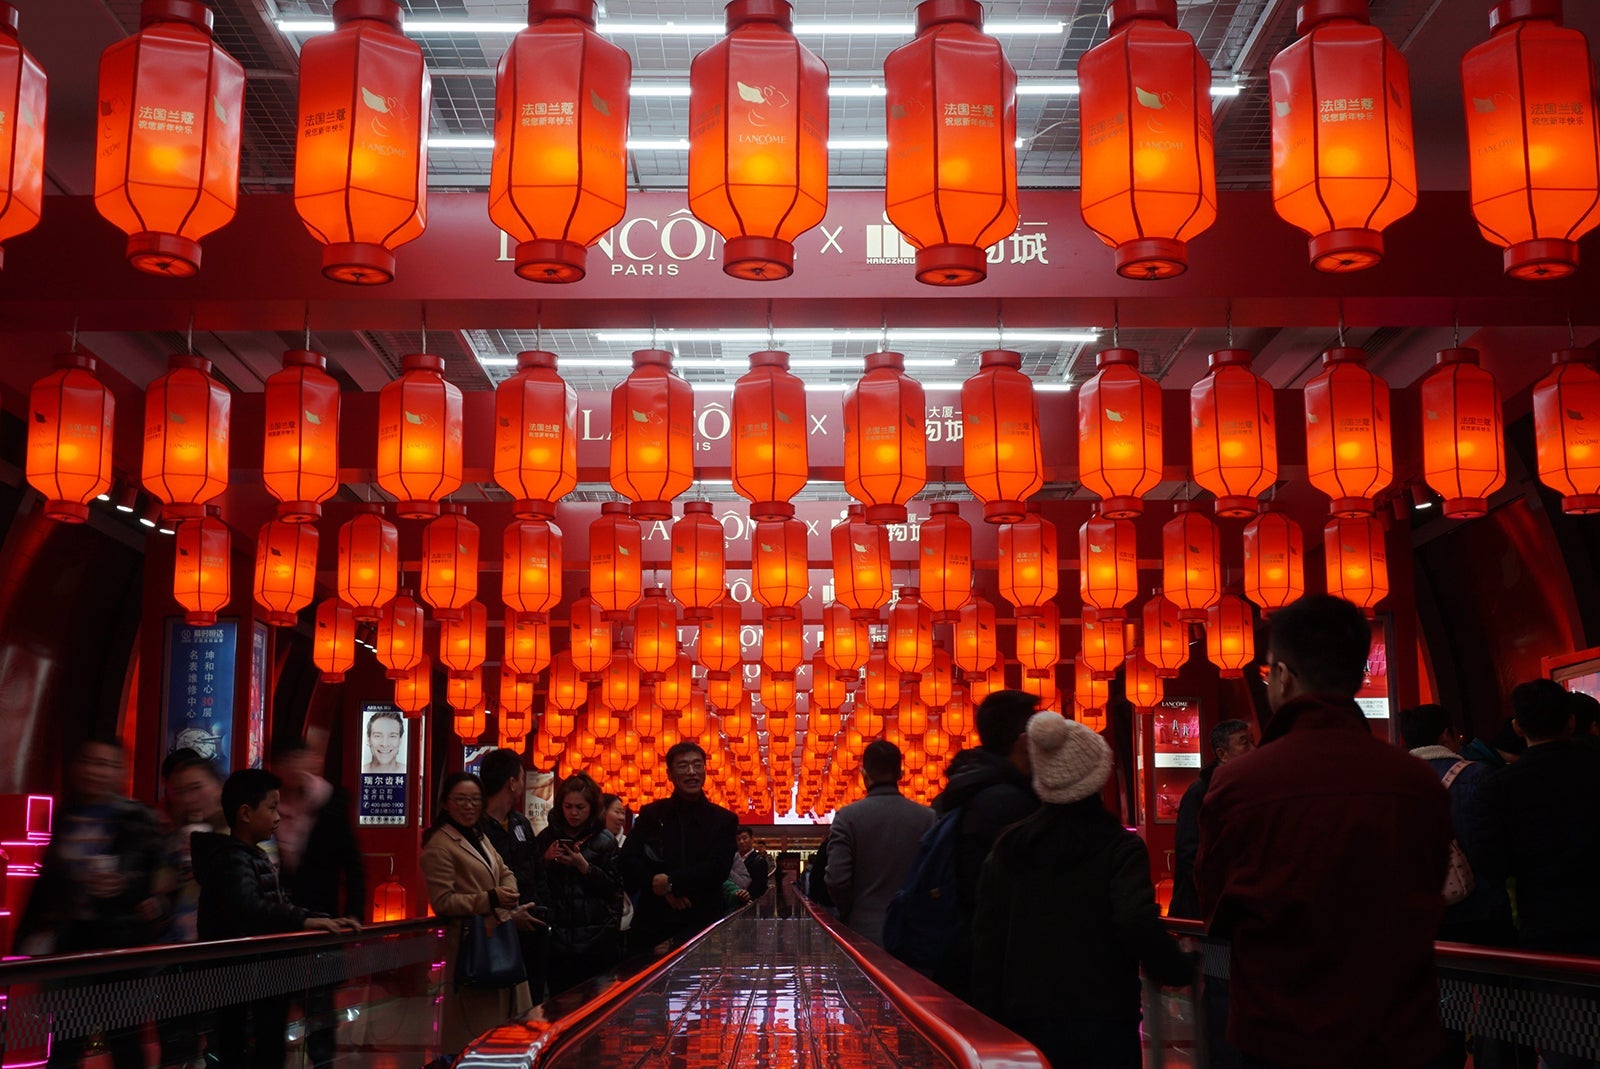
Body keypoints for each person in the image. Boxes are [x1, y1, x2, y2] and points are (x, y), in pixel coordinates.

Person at [1196, 594, 1452, 1069]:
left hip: (1278, 1031)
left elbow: (1216, 905)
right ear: (1356, 677)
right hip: (1396, 1032)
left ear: (1285, 678)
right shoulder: (1418, 783)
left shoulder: (1238, 784)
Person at [974, 712, 1196, 1069]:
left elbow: (987, 936)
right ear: (1098, 775)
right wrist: (1176, 967)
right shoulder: (1118, 848)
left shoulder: (1011, 846)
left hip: (1025, 1017)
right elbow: (1135, 919)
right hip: (1104, 1017)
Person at [14, 736, 169, 1069]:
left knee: (124, 1039)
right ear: (76, 768)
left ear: (121, 772)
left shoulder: (138, 817)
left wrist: (125, 885)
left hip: (121, 947)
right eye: (91, 762)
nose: (98, 772)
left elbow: (154, 876)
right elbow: (47, 884)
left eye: (109, 765)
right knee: (65, 1040)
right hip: (71, 944)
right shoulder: (66, 816)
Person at [192, 769, 358, 1069]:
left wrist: (313, 917)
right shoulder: (233, 859)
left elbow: (272, 905)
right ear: (245, 813)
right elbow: (249, 908)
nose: (278, 817)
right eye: (271, 808)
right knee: (244, 1049)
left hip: (256, 978)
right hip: (240, 980)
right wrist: (304, 921)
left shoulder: (250, 855)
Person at [929, 689, 1041, 999]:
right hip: (1002, 965)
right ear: (1022, 740)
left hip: (970, 954)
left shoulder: (970, 791)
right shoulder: (1009, 804)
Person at [420, 773, 534, 1057]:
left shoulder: (479, 836)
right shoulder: (439, 845)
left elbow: (505, 871)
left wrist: (506, 892)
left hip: (497, 940)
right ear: (446, 803)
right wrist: (490, 899)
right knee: (475, 1033)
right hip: (472, 949)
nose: (468, 806)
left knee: (503, 1031)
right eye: (461, 800)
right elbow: (443, 902)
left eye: (474, 800)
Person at [270, 740, 365, 1069]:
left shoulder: (332, 803)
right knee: (273, 1010)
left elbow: (352, 863)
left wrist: (353, 914)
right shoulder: (267, 803)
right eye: (289, 760)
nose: (297, 767)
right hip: (275, 927)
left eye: (303, 759)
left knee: (321, 1009)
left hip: (322, 922)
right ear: (277, 766)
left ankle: (323, 1062)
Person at [620, 741, 739, 952]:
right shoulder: (652, 814)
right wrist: (658, 886)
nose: (691, 772)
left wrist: (672, 883)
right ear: (670, 773)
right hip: (655, 921)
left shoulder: (724, 820)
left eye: (697, 765)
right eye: (683, 766)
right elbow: (628, 859)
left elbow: (718, 868)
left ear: (705, 769)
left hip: (704, 923)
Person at [825, 740, 935, 946]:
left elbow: (837, 879)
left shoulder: (848, 818)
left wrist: (850, 909)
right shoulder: (927, 818)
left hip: (864, 930)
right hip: (916, 932)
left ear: (864, 774)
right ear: (901, 774)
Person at [158, 748, 227, 1069]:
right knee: (175, 1046)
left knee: (223, 1044)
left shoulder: (243, 832)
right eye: (180, 791)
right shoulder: (174, 839)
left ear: (218, 786)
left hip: (224, 959)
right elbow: (161, 890)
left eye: (196, 787)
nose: (189, 798)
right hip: (177, 959)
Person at [534, 773, 624, 994]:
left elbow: (614, 888)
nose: (573, 813)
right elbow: (533, 882)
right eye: (568, 806)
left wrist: (585, 867)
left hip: (596, 940)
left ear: (591, 808)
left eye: (580, 807)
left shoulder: (605, 841)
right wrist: (544, 860)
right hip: (557, 938)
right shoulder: (547, 837)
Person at [1168, 718, 1253, 920]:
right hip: (1202, 908)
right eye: (1244, 743)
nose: (1253, 749)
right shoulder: (1200, 792)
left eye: (1252, 741)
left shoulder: (1247, 788)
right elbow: (1189, 852)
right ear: (1222, 754)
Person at [479, 749, 547, 1001]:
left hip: (531, 931)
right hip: (491, 934)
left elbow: (538, 871)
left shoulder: (520, 823)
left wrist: (538, 909)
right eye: (520, 777)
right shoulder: (476, 826)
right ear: (512, 782)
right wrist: (506, 916)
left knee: (532, 1002)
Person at [600, 794, 635, 943]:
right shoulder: (587, 844)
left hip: (624, 916)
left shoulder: (628, 845)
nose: (621, 817)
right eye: (617, 812)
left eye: (623, 812)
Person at [727, 826, 770, 909]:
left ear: (752, 838)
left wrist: (747, 898)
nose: (741, 842)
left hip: (749, 905)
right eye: (738, 839)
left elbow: (760, 887)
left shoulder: (759, 861)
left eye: (744, 838)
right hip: (732, 902)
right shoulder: (730, 858)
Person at [363, 708, 405, 773]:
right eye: (378, 736)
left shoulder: (408, 771)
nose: (385, 744)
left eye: (392, 736)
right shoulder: (359, 771)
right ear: (368, 740)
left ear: (400, 741)